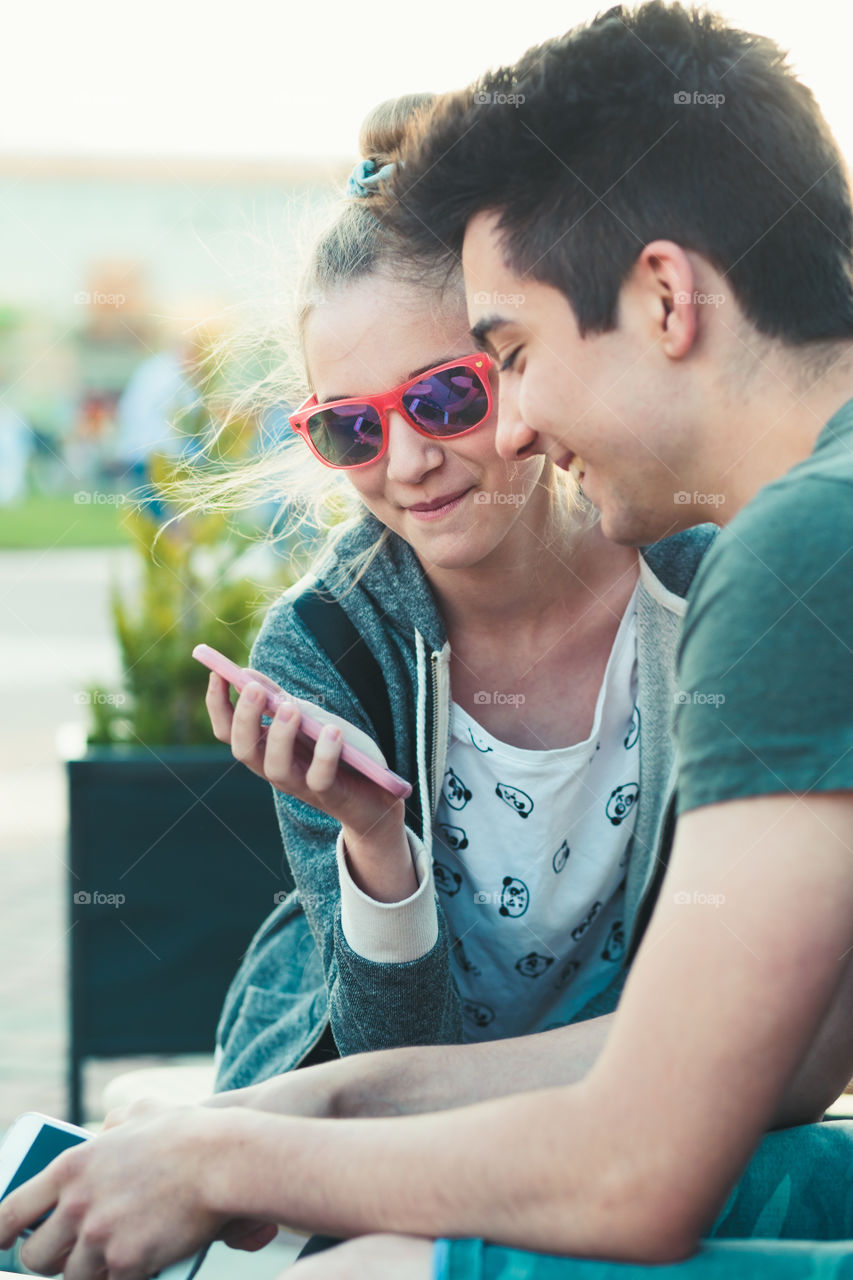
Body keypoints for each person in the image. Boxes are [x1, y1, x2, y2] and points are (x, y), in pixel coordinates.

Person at [4, 7, 853, 1279]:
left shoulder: (789, 555)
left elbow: (642, 1161)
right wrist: (303, 1102)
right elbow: (780, 1056)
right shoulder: (343, 640)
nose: (511, 426)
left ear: (666, 296)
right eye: (347, 427)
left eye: (497, 364)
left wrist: (223, 1159)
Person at [207, 93, 714, 1094]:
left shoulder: (700, 580)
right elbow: (392, 1065)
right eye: (351, 428)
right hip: (372, 1094)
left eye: (444, 399)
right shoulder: (324, 646)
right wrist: (372, 839)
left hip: (618, 1095)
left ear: (519, 364)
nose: (408, 462)